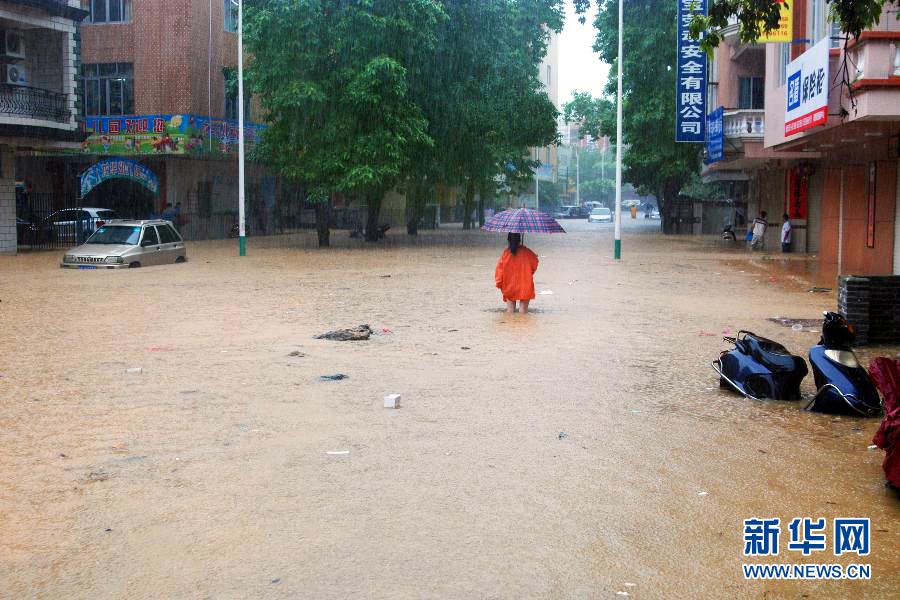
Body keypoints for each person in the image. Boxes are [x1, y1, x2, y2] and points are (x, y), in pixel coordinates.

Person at [494, 232, 539, 315]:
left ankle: (511, 326)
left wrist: (500, 285)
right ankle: (522, 327)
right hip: (525, 285)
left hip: (509, 285)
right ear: (520, 239)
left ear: (508, 240)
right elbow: (534, 265)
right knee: (523, 312)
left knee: (510, 312)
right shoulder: (527, 252)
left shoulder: (506, 253)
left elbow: (499, 272)